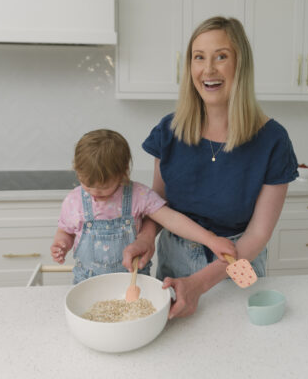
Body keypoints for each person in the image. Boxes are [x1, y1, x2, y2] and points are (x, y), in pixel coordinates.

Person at [122, 16, 298, 319]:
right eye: (199, 57)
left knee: (241, 342)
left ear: (240, 65)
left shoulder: (273, 141)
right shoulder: (169, 130)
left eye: (221, 57)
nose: (209, 69)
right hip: (174, 261)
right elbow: (157, 206)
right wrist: (145, 237)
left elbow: (256, 235)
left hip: (237, 264)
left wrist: (199, 284)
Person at [50, 129, 236, 284]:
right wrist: (62, 244)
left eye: (104, 186)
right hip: (87, 283)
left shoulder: (138, 195)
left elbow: (171, 218)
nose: (95, 192)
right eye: (87, 184)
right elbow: (65, 231)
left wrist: (211, 240)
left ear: (122, 173)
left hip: (133, 281)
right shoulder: (73, 201)